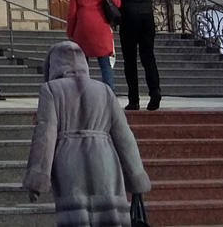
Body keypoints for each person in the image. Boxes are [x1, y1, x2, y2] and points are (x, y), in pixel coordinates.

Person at [23, 41, 151, 226]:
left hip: (69, 165)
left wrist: (37, 179)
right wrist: (136, 178)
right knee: (110, 219)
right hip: (105, 162)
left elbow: (46, 135)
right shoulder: (105, 90)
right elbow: (125, 137)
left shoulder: (51, 90)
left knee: (76, 218)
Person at [105, 0, 162, 111]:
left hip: (128, 16)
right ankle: (155, 90)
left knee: (130, 60)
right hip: (147, 14)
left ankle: (134, 99)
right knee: (148, 57)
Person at [66, 0, 118, 89]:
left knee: (83, 64)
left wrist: (70, 31)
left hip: (83, 27)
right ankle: (109, 92)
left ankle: (84, 91)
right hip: (101, 26)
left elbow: (72, 12)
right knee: (105, 62)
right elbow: (116, 2)